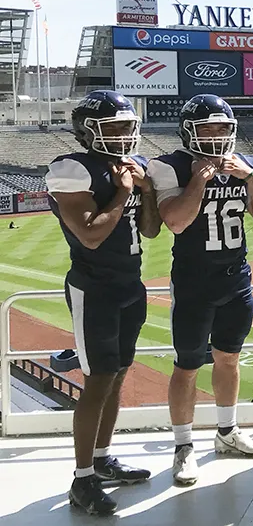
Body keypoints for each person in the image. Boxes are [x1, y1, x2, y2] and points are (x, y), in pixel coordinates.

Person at [147, 94, 253, 485]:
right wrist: (200, 180)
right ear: (190, 131)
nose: (218, 135)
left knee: (230, 359)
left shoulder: (244, 163)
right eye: (209, 128)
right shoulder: (169, 166)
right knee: (187, 364)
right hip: (193, 279)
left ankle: (227, 432)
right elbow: (176, 222)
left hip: (236, 276)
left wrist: (249, 177)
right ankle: (183, 446)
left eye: (224, 128)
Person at [46, 91, 161, 514]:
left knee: (116, 376)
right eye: (112, 127)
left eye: (127, 126)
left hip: (130, 285)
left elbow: (150, 231)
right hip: (93, 288)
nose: (123, 135)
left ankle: (101, 459)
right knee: (97, 379)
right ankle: (82, 480)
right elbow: (91, 235)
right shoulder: (73, 168)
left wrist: (145, 191)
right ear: (88, 132)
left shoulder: (136, 165)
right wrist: (121, 193)